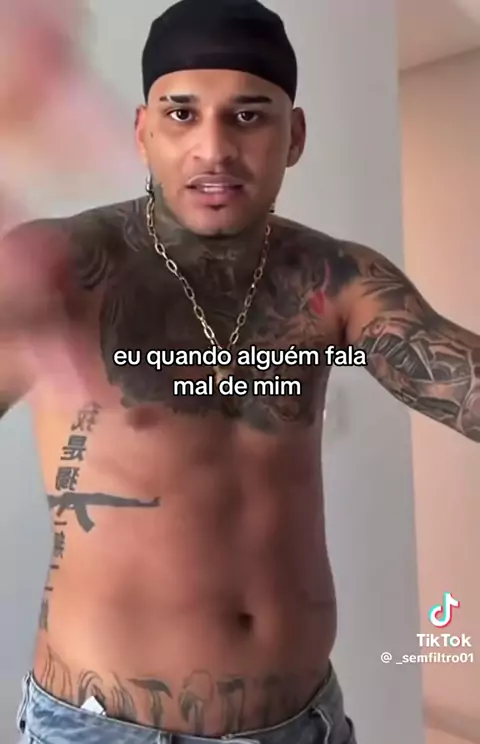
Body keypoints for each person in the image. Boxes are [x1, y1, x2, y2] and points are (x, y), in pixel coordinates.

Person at [2, 0, 479, 743]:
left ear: (295, 136)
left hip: (303, 724)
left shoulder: (335, 279)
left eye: (249, 116)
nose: (214, 148)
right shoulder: (68, 271)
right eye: (182, 114)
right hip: (103, 730)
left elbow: (462, 382)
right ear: (143, 130)